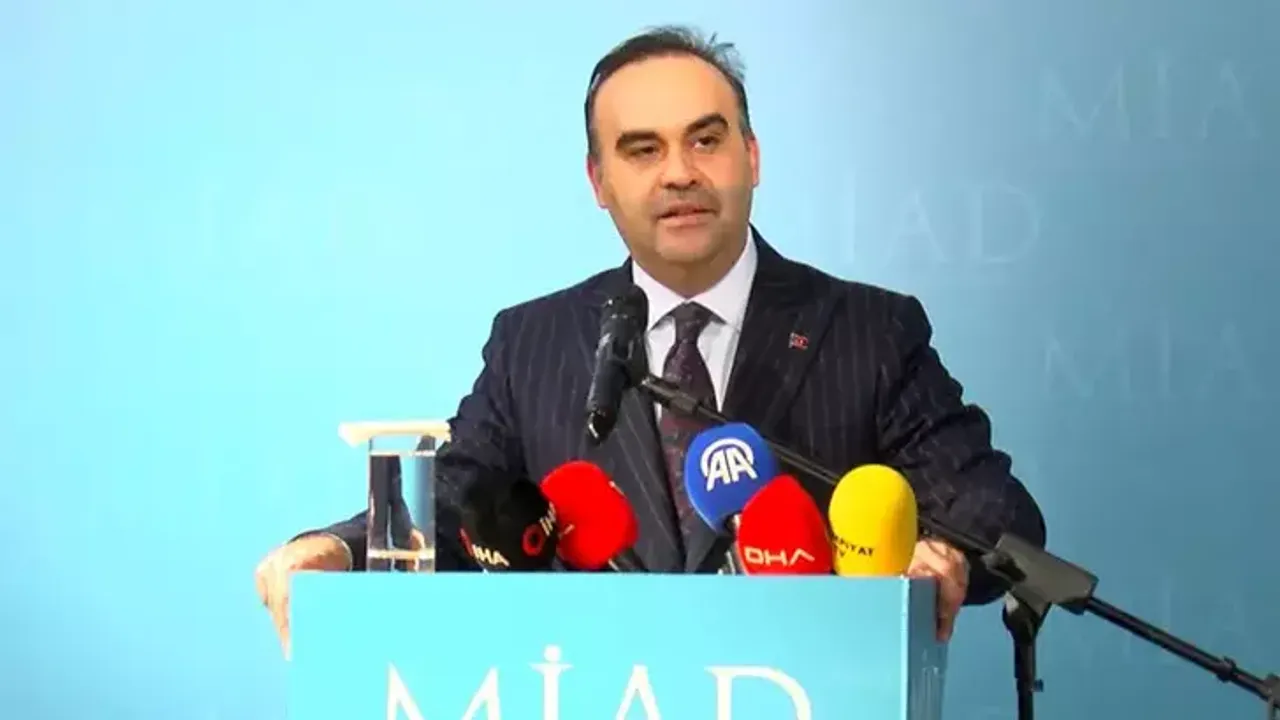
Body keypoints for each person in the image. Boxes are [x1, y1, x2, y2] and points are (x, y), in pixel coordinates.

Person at [255, 25, 1047, 656]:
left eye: (706, 140)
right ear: (599, 182)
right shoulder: (534, 342)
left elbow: (993, 510)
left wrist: (941, 554)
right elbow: (462, 506)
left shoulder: (870, 330)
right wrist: (338, 549)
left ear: (752, 157)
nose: (679, 173)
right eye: (643, 149)